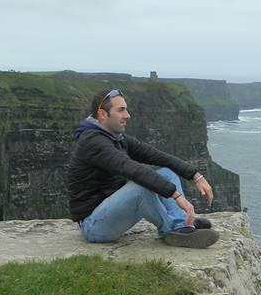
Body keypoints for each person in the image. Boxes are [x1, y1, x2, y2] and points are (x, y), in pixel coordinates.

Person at [67, 88, 219, 248]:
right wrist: (175, 195)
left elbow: (155, 155)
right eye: (121, 110)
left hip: (110, 211)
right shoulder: (93, 142)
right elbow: (130, 168)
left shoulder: (116, 137)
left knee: (167, 173)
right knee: (141, 186)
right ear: (103, 114)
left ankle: (183, 224)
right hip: (94, 226)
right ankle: (173, 229)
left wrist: (195, 175)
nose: (127, 115)